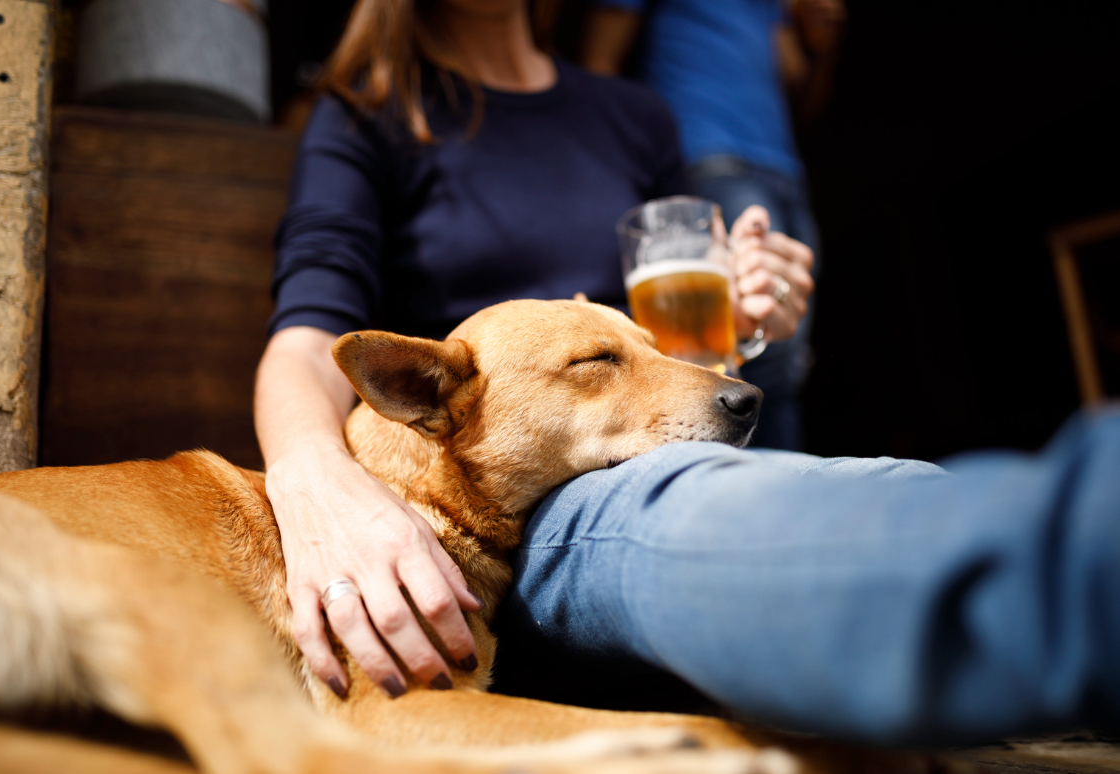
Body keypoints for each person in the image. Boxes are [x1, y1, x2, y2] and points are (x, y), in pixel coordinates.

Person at [256, 0, 813, 702]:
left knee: (793, 494)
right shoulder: (367, 113)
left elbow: (669, 346)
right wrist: (314, 484)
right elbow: (310, 340)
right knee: (762, 518)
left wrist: (743, 317)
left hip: (647, 442)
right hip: (505, 487)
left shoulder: (633, 113)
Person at [491, 406, 1120, 745]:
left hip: (684, 438)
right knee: (702, 513)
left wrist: (770, 336)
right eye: (599, 359)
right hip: (532, 493)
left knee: (882, 483)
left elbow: (752, 397)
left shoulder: (689, 185)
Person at [582, 0, 848, 451]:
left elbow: (798, 89)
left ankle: (776, 466)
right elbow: (599, 63)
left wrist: (822, 43)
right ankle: (763, 469)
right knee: (752, 345)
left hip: (783, 167)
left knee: (787, 339)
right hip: (705, 155)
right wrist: (617, 176)